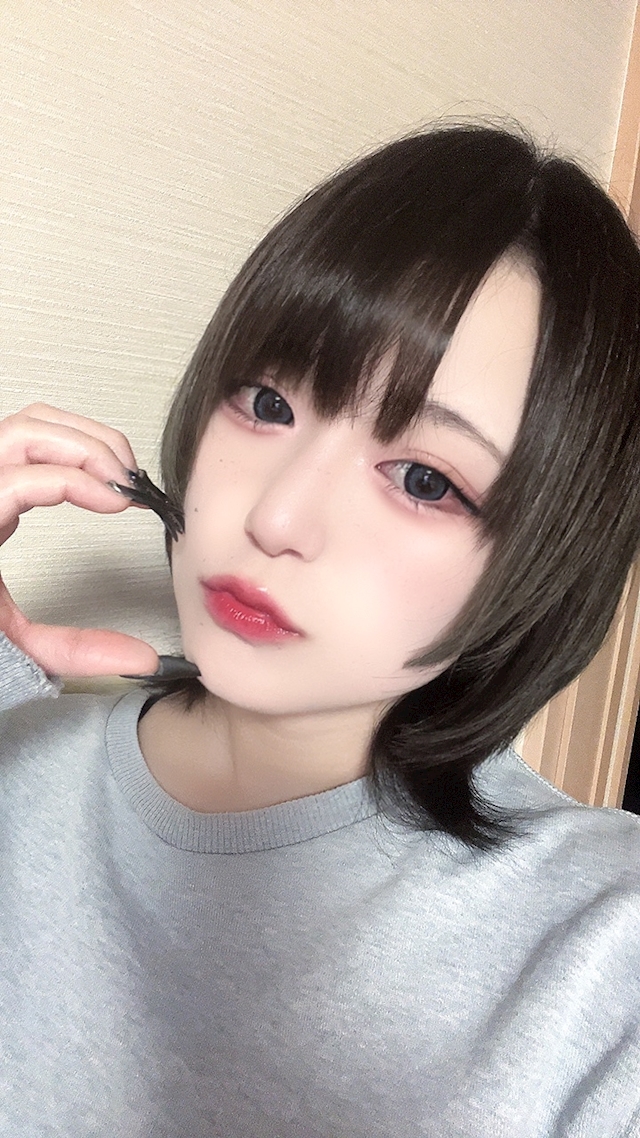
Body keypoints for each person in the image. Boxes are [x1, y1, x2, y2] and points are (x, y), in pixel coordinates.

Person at [1, 123, 639, 1137]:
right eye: (266, 402)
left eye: (423, 479)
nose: (275, 517)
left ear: (544, 561)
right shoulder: (17, 746)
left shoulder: (599, 949)